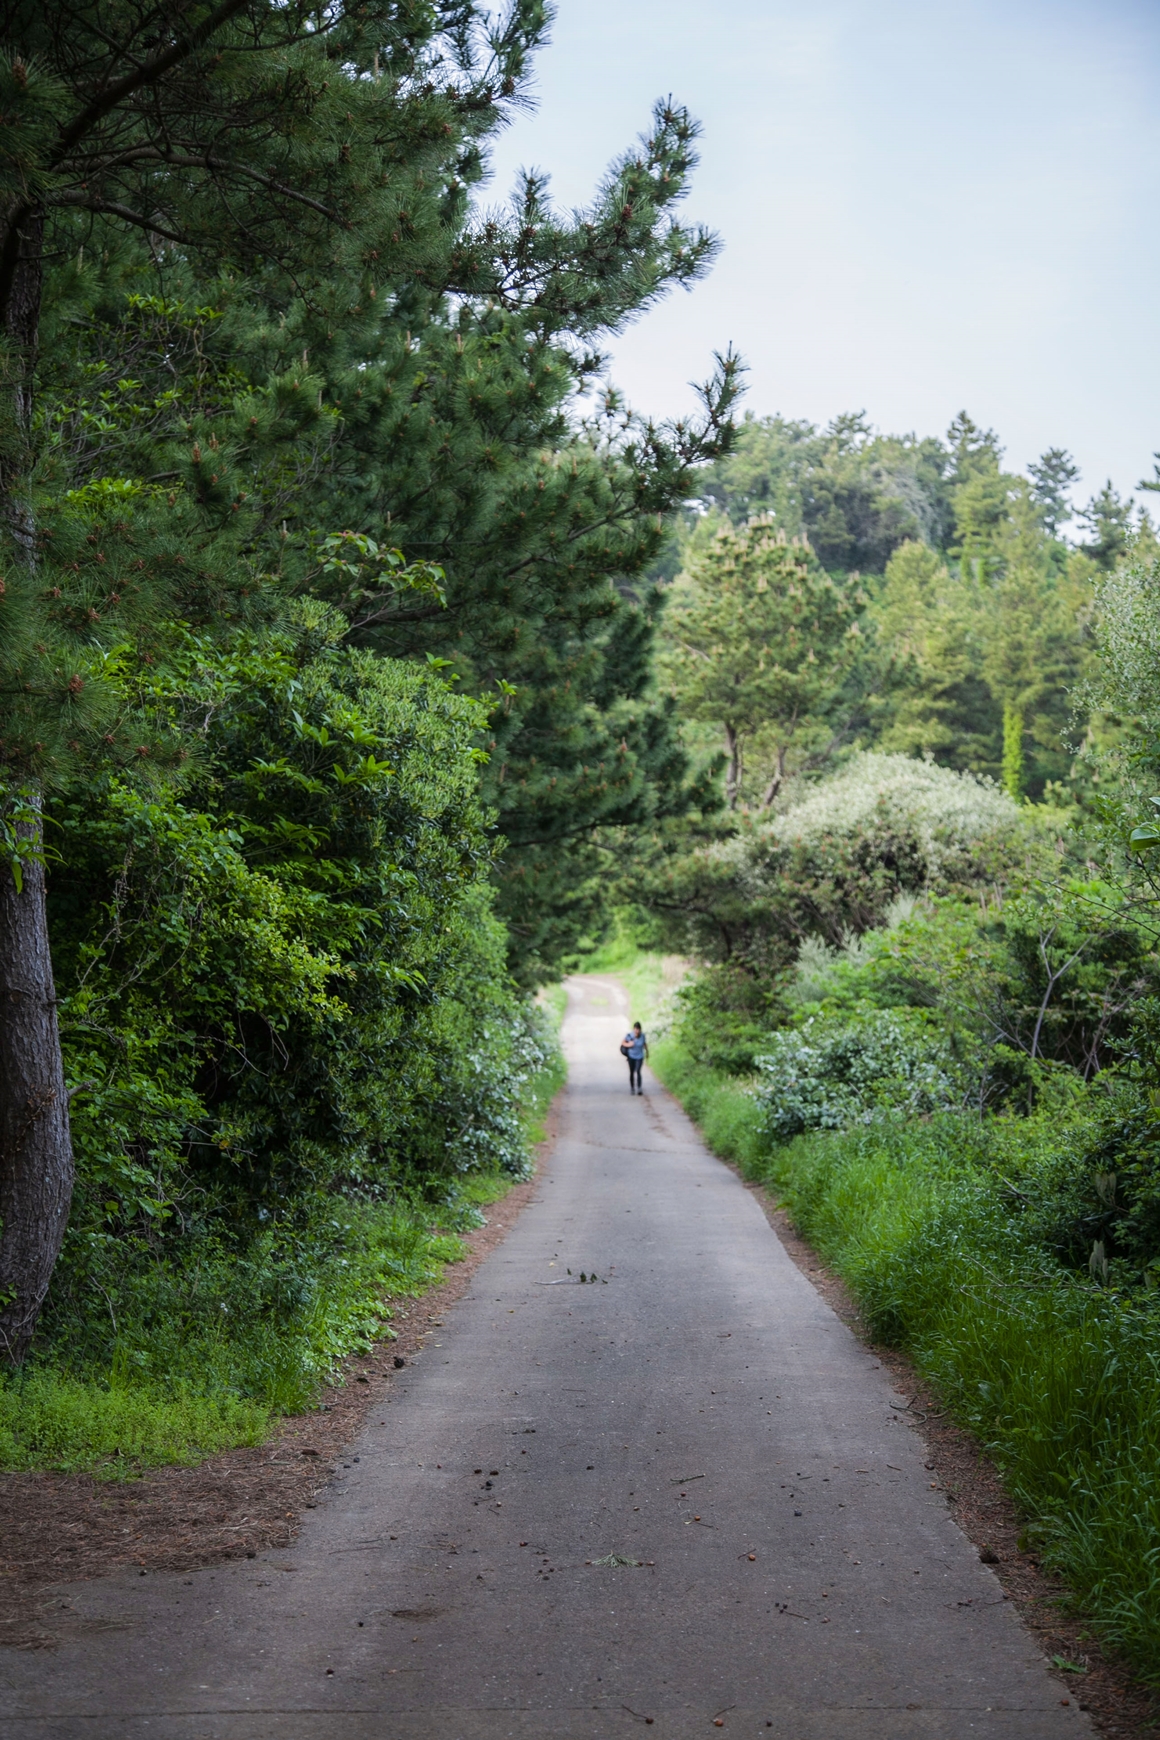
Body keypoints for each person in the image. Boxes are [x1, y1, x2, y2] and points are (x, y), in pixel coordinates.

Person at [621, 1021, 648, 1094]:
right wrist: (629, 1045)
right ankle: (632, 1088)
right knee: (632, 1072)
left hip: (639, 1056)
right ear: (634, 1029)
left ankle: (639, 1088)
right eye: (636, 1029)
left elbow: (645, 1044)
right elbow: (623, 1043)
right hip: (631, 1056)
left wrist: (647, 1053)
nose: (637, 1031)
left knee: (638, 1071)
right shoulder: (629, 1035)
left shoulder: (642, 1036)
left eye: (638, 1029)